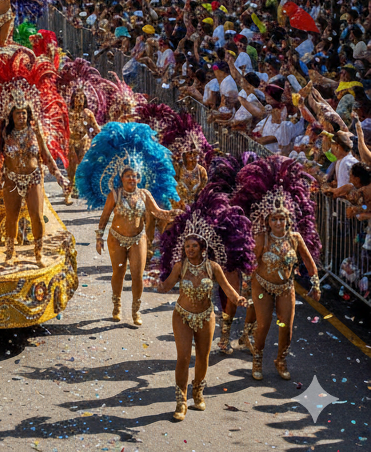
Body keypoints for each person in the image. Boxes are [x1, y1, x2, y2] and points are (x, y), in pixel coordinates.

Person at [0, 47, 69, 264]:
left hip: (34, 177)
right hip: (11, 178)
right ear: (11, 114)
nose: (20, 116)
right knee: (12, 217)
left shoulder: (36, 132)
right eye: (17, 113)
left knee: (37, 216)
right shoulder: (3, 133)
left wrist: (59, 176)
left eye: (24, 113)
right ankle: (10, 253)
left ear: (29, 115)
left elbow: (46, 156)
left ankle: (38, 253)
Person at [155, 192, 251, 421]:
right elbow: (167, 286)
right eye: (187, 246)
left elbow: (227, 288)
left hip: (206, 317)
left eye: (194, 246)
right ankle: (181, 401)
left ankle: (198, 392)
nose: (190, 249)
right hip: (182, 316)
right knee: (183, 357)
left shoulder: (213, 267)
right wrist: (156, 283)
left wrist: (238, 298)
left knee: (202, 358)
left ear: (202, 247)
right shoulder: (180, 266)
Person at [77, 121, 178, 326]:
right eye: (128, 176)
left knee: (138, 276)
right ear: (121, 178)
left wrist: (174, 213)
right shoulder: (114, 195)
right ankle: (116, 305)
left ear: (139, 178)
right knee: (119, 273)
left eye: (134, 176)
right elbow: (104, 218)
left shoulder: (144, 194)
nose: (132, 179)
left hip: (137, 238)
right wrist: (99, 238)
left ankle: (135, 310)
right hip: (116, 239)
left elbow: (157, 212)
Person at [233, 156, 322, 380]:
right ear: (268, 220)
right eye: (274, 219)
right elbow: (250, 263)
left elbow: (310, 263)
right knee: (264, 325)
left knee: (286, 327)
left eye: (282, 219)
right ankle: (257, 359)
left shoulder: (295, 238)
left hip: (285, 288)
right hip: (262, 287)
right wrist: (246, 286)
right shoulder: (262, 238)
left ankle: (280, 360)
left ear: (288, 220)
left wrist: (315, 284)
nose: (278, 223)